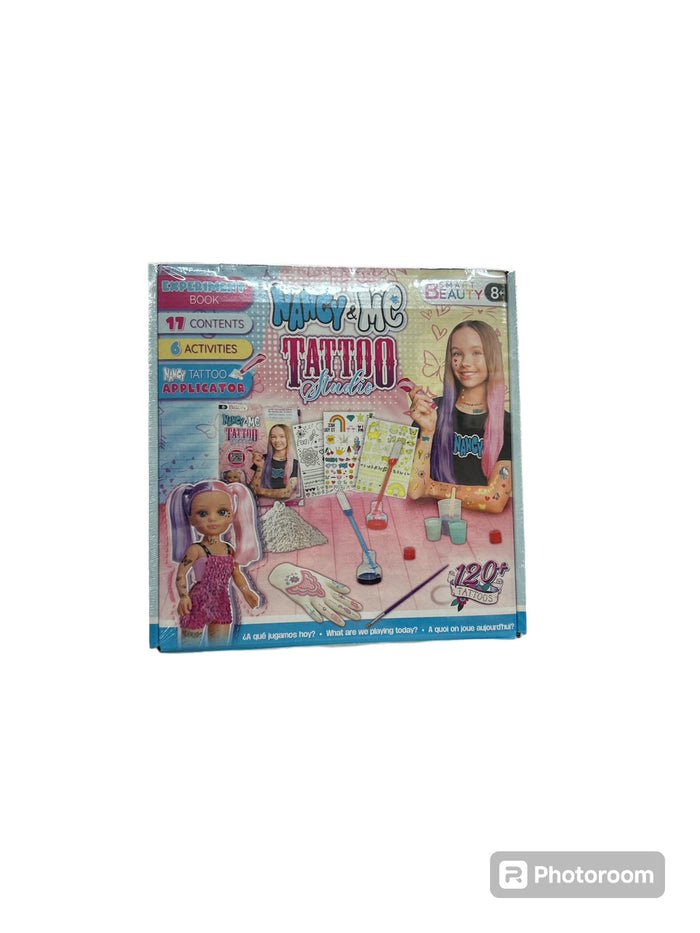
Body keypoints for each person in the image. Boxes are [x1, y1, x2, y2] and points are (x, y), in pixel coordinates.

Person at [407, 319, 512, 513]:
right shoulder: (431, 411)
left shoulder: (508, 424)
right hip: (430, 521)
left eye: (476, 352)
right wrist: (427, 431)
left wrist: (432, 487)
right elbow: (414, 490)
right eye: (457, 353)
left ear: (491, 356)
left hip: (486, 527)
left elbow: (495, 499)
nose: (465, 363)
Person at [168, 480, 263, 646]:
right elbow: (181, 574)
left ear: (232, 515)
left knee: (220, 644)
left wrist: (246, 591)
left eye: (222, 512)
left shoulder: (228, 549)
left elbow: (236, 573)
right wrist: (183, 597)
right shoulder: (196, 549)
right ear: (191, 518)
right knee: (190, 644)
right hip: (198, 601)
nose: (212, 518)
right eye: (202, 513)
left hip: (221, 601)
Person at [249, 423, 301, 501]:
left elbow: (286, 493)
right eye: (273, 437)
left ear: (288, 438)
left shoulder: (295, 464)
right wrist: (260, 467)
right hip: (261, 506)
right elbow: (252, 490)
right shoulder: (262, 459)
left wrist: (260, 491)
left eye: (282, 436)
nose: (277, 440)